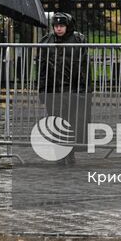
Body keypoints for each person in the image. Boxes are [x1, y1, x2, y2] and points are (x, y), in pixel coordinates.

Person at [37, 12, 88, 165]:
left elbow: (84, 67)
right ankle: (58, 153)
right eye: (56, 26)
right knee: (55, 122)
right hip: (53, 89)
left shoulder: (79, 40)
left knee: (71, 122)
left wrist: (83, 89)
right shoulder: (46, 41)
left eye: (62, 26)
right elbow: (42, 68)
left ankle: (70, 151)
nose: (58, 29)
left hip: (72, 88)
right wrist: (42, 89)